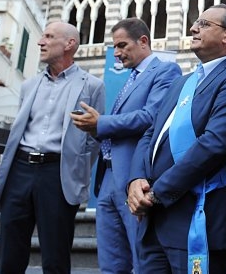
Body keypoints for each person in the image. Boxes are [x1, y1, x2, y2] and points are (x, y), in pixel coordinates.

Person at [127, 4, 226, 274]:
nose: (193, 28)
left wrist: (159, 192)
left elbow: (217, 143)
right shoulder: (181, 83)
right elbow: (151, 133)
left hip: (196, 217)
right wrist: (136, 179)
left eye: (205, 24)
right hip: (155, 220)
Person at [0, 21, 105, 274]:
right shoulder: (28, 85)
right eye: (42, 36)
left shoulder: (92, 86)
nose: (40, 42)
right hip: (19, 170)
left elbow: (94, 138)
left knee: (55, 255)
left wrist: (75, 168)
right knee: (10, 253)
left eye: (48, 37)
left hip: (58, 175)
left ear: (69, 44)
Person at [72, 18, 181, 273]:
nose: (117, 53)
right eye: (115, 46)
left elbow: (151, 116)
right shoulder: (132, 78)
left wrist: (100, 123)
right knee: (111, 264)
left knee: (140, 260)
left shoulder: (165, 71)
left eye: (122, 45)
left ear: (143, 41)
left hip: (133, 178)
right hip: (107, 177)